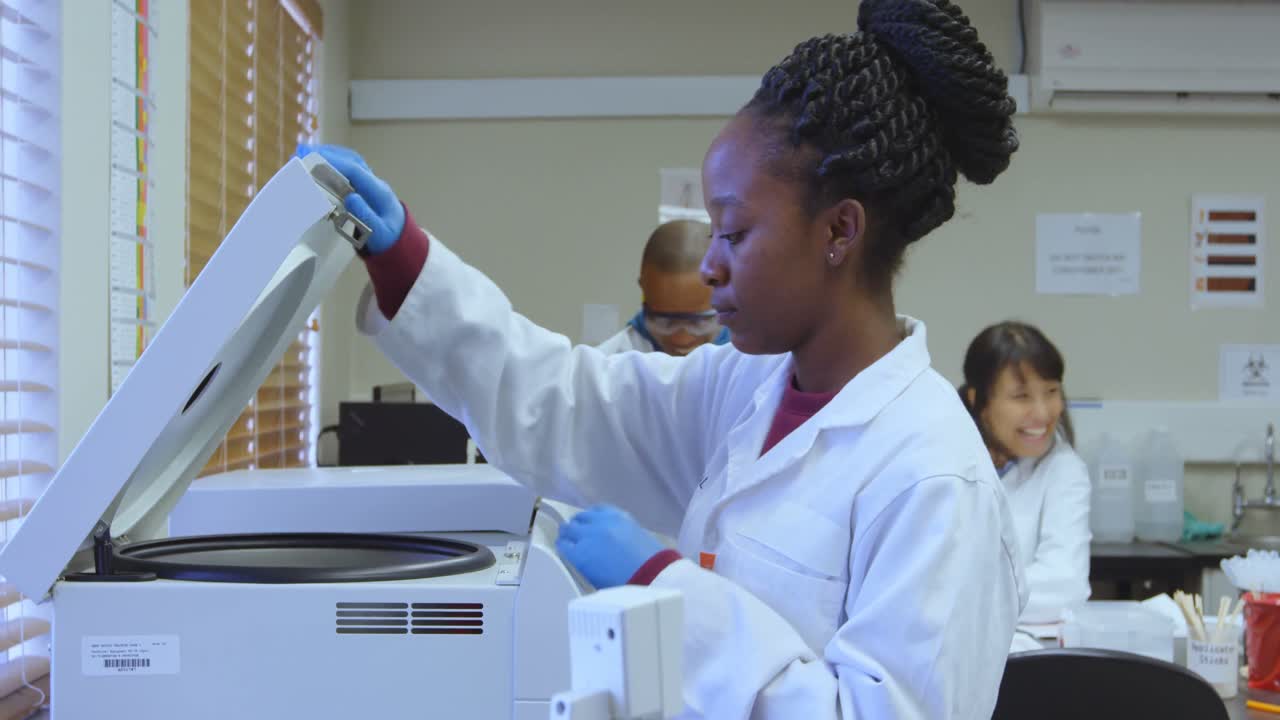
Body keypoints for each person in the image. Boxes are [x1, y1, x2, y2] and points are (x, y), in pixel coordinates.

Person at [303, 0, 1025, 715]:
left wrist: (663, 586)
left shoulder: (932, 476)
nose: (710, 267)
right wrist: (403, 261)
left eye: (734, 233)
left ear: (840, 230)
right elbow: (569, 406)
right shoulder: (746, 388)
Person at [959, 321, 1091, 650]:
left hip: (1024, 655)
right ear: (980, 401)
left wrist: (961, 594)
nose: (1044, 413)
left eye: (1051, 392)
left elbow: (1066, 585)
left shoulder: (1063, 469)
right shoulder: (945, 463)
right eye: (1021, 397)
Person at [597, 219, 731, 356]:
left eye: (699, 322)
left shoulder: (748, 355)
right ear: (644, 290)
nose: (682, 341)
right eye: (664, 322)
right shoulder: (613, 362)